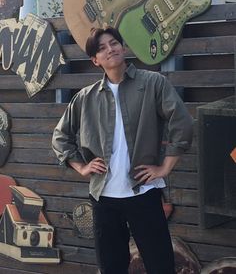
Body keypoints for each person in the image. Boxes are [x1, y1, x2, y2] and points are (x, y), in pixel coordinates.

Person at [52, 27, 193, 274]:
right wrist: (81, 166)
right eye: (102, 48)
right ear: (95, 60)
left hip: (143, 194)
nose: (110, 49)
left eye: (114, 43)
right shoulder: (86, 97)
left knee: (161, 266)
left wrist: (165, 167)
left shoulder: (153, 83)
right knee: (111, 268)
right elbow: (60, 137)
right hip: (104, 198)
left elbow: (181, 122)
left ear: (123, 47)